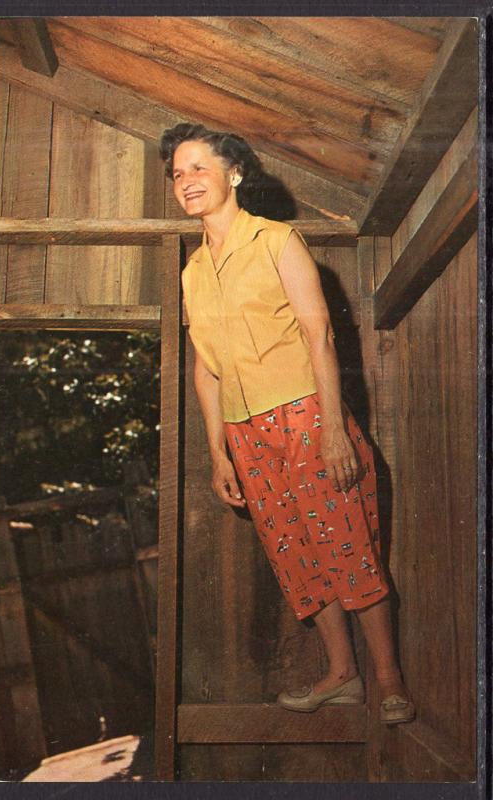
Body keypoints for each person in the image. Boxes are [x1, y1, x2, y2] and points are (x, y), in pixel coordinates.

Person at [159, 122, 415, 724]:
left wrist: (331, 428)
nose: (187, 181)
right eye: (177, 174)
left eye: (199, 168)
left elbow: (319, 333)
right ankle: (341, 674)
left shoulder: (278, 241)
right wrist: (219, 455)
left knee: (348, 545)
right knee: (296, 554)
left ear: (235, 174)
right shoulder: (193, 273)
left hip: (306, 414)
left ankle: (389, 679)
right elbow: (206, 372)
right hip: (245, 434)